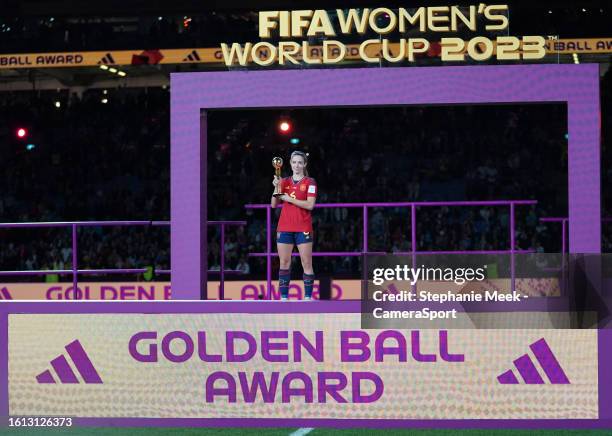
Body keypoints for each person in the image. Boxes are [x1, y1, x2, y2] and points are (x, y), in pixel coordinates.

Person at [271, 151, 317, 300]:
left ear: (304, 164)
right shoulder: (284, 181)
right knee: (284, 262)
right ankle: (283, 297)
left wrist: (288, 198)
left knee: (306, 262)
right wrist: (276, 187)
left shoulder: (310, 182)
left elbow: (310, 205)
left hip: (303, 227)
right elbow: (273, 204)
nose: (297, 165)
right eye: (294, 162)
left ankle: (308, 297)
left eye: (300, 162)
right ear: (290, 164)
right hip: (284, 227)